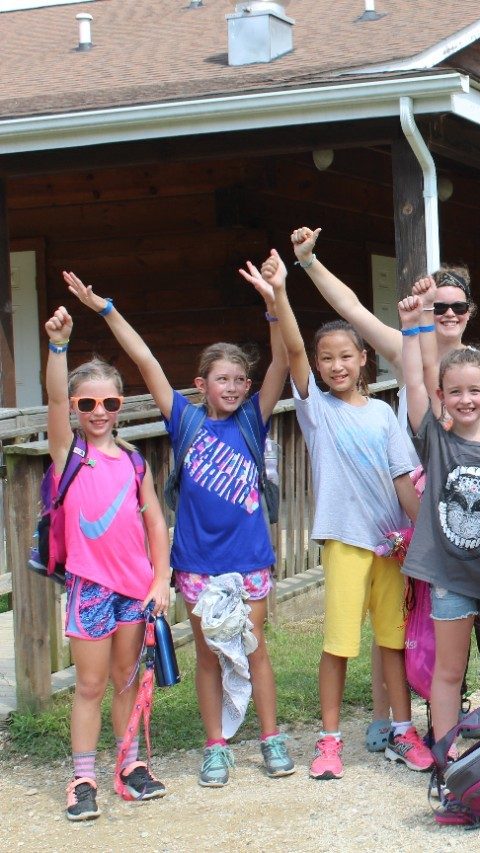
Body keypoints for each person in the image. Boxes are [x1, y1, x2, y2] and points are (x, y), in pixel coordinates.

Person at [66, 263, 295, 787]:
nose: (233, 386)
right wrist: (105, 308)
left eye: (240, 379)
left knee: (254, 649)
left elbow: (284, 357)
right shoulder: (185, 420)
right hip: (195, 563)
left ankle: (270, 737)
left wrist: (272, 303)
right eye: (222, 379)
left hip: (250, 559)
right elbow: (144, 358)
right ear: (201, 384)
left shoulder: (253, 420)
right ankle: (216, 746)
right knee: (212, 656)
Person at [288, 226, 480, 747]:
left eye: (456, 306)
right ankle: (388, 717)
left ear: (469, 310)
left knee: (444, 616)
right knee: (394, 617)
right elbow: (351, 310)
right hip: (404, 502)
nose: (447, 315)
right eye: (438, 306)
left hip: (458, 505)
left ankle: (447, 708)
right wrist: (308, 263)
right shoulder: (406, 349)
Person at [270, 265, 429, 781]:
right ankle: (330, 740)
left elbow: (405, 481)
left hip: (391, 547)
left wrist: (425, 535)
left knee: (393, 642)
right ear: (316, 366)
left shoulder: (384, 415)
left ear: (364, 360)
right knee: (337, 644)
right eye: (326, 358)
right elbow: (292, 350)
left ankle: (402, 730)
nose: (336, 365)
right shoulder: (316, 410)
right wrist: (280, 291)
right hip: (344, 542)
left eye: (346, 356)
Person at [395, 282, 480, 819]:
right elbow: (415, 380)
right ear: (443, 397)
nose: (466, 399)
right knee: (448, 673)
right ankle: (448, 759)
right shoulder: (436, 439)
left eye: (477, 389)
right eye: (456, 392)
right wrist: (411, 328)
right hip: (449, 575)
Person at [43, 308, 171, 821]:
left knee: (127, 679)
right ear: (76, 407)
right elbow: (52, 397)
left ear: (121, 406)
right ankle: (83, 777)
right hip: (90, 589)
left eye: (109, 402)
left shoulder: (134, 461)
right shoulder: (68, 454)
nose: (99, 411)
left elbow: (156, 524)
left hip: (135, 590)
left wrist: (161, 579)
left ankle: (129, 765)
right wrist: (58, 347)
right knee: (91, 685)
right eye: (88, 403)